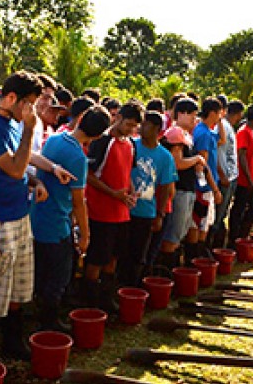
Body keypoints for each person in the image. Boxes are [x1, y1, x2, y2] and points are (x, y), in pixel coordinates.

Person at [0, 71, 77, 361]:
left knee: (18, 287)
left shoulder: (15, 123)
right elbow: (14, 168)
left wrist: (42, 177)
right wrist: (31, 128)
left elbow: (24, 160)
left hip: (19, 214)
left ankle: (13, 342)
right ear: (12, 98)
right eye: (29, 103)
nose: (32, 110)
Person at [32, 106, 110, 332]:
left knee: (41, 272)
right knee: (58, 277)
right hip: (57, 223)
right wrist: (85, 234)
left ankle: (39, 316)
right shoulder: (78, 157)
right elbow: (78, 201)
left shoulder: (54, 139)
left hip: (38, 216)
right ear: (98, 136)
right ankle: (49, 322)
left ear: (81, 118)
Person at [83, 100, 143, 313]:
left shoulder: (131, 144)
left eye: (134, 126)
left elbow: (127, 173)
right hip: (100, 212)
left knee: (114, 257)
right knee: (97, 258)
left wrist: (131, 191)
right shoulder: (102, 141)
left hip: (121, 212)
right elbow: (88, 175)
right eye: (128, 124)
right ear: (117, 118)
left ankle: (106, 298)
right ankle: (90, 303)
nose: (130, 129)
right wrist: (112, 193)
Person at [120, 111, 176, 287]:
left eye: (146, 125)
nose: (141, 128)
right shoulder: (130, 146)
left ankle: (133, 287)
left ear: (157, 129)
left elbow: (165, 186)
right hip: (125, 209)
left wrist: (160, 214)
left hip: (146, 211)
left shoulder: (165, 157)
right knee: (122, 251)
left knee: (139, 254)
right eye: (141, 124)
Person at [154, 99, 206, 274]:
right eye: (191, 114)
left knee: (180, 232)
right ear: (181, 113)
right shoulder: (175, 133)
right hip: (180, 190)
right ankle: (165, 273)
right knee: (173, 234)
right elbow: (177, 163)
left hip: (188, 189)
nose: (194, 118)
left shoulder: (186, 135)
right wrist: (197, 159)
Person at [190, 98, 223, 261]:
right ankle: (197, 256)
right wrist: (213, 188)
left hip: (207, 186)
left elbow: (221, 139)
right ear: (212, 113)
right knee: (200, 224)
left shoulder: (206, 131)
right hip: (203, 188)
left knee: (204, 223)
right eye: (219, 113)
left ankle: (200, 253)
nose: (220, 117)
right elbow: (202, 165)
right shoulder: (203, 134)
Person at [228, 104, 253, 246]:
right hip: (244, 180)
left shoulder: (251, 131)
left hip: (251, 178)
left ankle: (242, 235)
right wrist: (249, 179)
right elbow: (241, 156)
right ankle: (235, 238)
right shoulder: (243, 132)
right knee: (240, 208)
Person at [210, 99, 241, 250]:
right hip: (223, 178)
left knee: (222, 215)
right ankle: (211, 249)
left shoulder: (227, 127)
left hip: (230, 176)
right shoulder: (218, 128)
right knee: (217, 216)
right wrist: (222, 174)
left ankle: (216, 247)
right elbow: (213, 154)